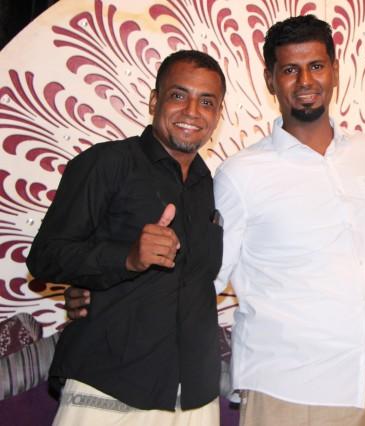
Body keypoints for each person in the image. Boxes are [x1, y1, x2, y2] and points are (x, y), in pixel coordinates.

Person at [212, 15, 365, 426]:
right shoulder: (240, 174)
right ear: (270, 80)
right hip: (291, 389)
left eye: (316, 66)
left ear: (335, 71)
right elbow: (204, 279)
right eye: (290, 69)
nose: (305, 80)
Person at [27, 50, 226, 425]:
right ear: (154, 100)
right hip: (110, 387)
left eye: (207, 102)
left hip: (194, 396)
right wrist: (126, 258)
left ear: (218, 115)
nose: (192, 111)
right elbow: (45, 256)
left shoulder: (212, 188)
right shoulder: (107, 163)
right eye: (179, 95)